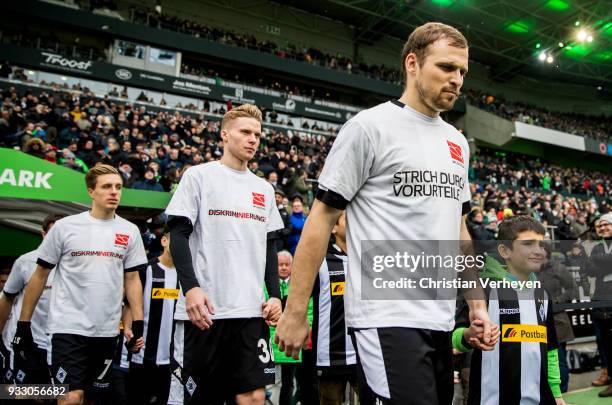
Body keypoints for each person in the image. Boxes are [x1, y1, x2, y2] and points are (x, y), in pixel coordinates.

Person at [275, 22, 497, 404]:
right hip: (385, 315)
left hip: (441, 317)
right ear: (412, 63)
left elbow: (459, 231)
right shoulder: (369, 128)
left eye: (462, 71)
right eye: (446, 67)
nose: (457, 79)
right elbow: (321, 219)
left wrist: (476, 305)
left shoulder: (457, 142)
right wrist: (296, 312)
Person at [165, 104, 285, 404]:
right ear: (224, 134)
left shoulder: (264, 189)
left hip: (250, 310)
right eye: (245, 132)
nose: (253, 139)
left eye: (257, 134)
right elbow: (179, 236)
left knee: (255, 397)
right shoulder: (199, 176)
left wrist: (274, 295)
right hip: (206, 311)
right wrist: (190, 288)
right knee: (203, 398)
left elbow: (269, 246)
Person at [14, 164, 147, 405]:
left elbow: (132, 279)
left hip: (106, 331)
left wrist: (138, 322)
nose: (114, 192)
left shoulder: (130, 231)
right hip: (67, 328)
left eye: (118, 187)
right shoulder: (66, 227)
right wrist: (24, 325)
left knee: (92, 398)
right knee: (70, 397)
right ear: (90, 192)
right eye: (107, 187)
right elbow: (40, 275)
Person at [453, 216, 566, 405]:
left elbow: (551, 349)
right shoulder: (483, 290)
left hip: (539, 398)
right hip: (491, 399)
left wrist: (556, 392)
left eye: (541, 244)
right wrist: (467, 335)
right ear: (505, 250)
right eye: (528, 244)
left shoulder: (543, 294)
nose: (538, 250)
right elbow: (454, 336)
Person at [0, 214, 64, 385]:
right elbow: (7, 297)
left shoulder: (75, 264)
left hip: (62, 345)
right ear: (44, 235)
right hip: (27, 341)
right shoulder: (26, 262)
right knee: (22, 394)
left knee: (61, 395)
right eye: (53, 233)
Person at [311, 211, 359, 405]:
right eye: (347, 218)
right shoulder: (320, 260)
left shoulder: (368, 258)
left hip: (363, 354)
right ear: (333, 227)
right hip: (329, 357)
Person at [127, 226, 178, 404]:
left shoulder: (186, 276)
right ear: (164, 241)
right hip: (143, 358)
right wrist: (129, 334)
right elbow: (130, 305)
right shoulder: (146, 269)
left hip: (172, 361)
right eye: (175, 239)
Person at [585, 213, 612, 397]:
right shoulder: (597, 247)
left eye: (605, 224)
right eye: (598, 226)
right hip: (601, 299)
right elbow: (590, 270)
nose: (602, 228)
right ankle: (607, 373)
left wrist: (600, 261)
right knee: (603, 340)